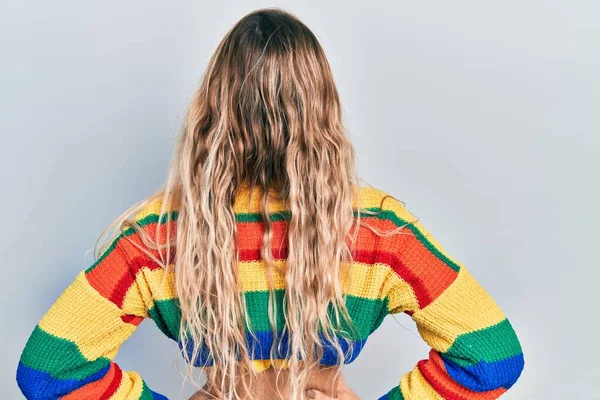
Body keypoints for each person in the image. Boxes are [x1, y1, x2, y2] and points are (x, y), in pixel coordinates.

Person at [15, 7, 525, 400]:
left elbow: (49, 370)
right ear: (322, 111)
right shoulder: (377, 231)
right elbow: (491, 356)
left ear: (212, 109)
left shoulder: (157, 236)